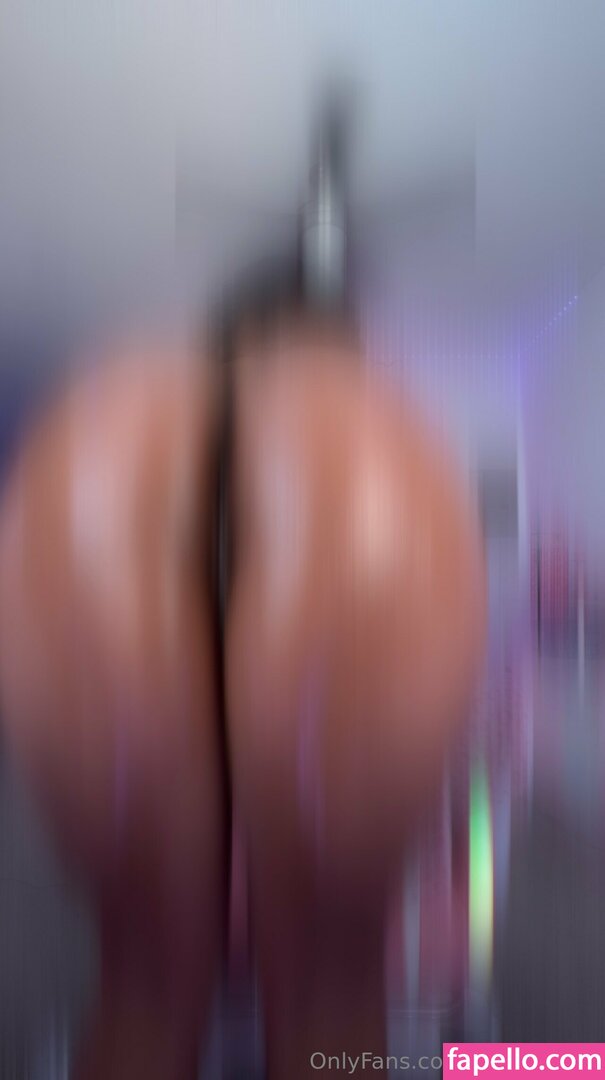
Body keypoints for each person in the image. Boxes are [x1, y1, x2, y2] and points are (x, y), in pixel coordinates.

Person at [0, 315, 486, 1079]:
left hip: (93, 459)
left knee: (142, 992)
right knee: (331, 1001)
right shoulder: (366, 414)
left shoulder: (126, 394)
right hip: (367, 495)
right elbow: (465, 870)